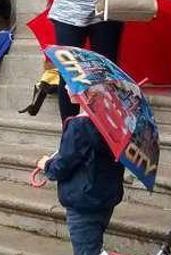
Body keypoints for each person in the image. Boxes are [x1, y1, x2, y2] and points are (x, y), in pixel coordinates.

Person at [36, 90, 125, 255]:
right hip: (106, 197)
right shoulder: (114, 121)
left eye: (70, 84)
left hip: (83, 201)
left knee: (86, 251)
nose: (65, 88)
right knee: (93, 247)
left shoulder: (79, 125)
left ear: (86, 92)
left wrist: (47, 164)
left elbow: (63, 166)